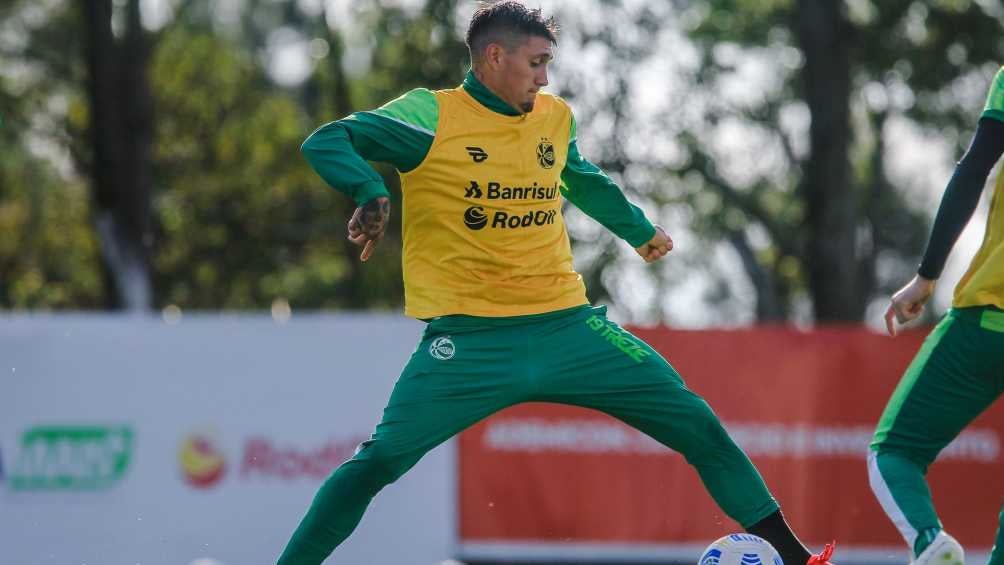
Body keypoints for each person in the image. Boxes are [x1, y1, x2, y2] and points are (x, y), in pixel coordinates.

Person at [279, 3, 835, 564]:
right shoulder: (431, 116)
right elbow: (325, 141)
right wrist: (368, 192)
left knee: (696, 423)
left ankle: (796, 559)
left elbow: (580, 177)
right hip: (469, 343)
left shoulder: (553, 117)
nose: (545, 77)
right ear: (494, 57)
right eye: (536, 62)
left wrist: (638, 230)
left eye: (549, 64)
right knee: (378, 462)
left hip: (570, 329)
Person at [874, 65, 1004, 565]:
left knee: (894, 453)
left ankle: (932, 543)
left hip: (986, 321)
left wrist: (927, 275)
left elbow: (974, 169)